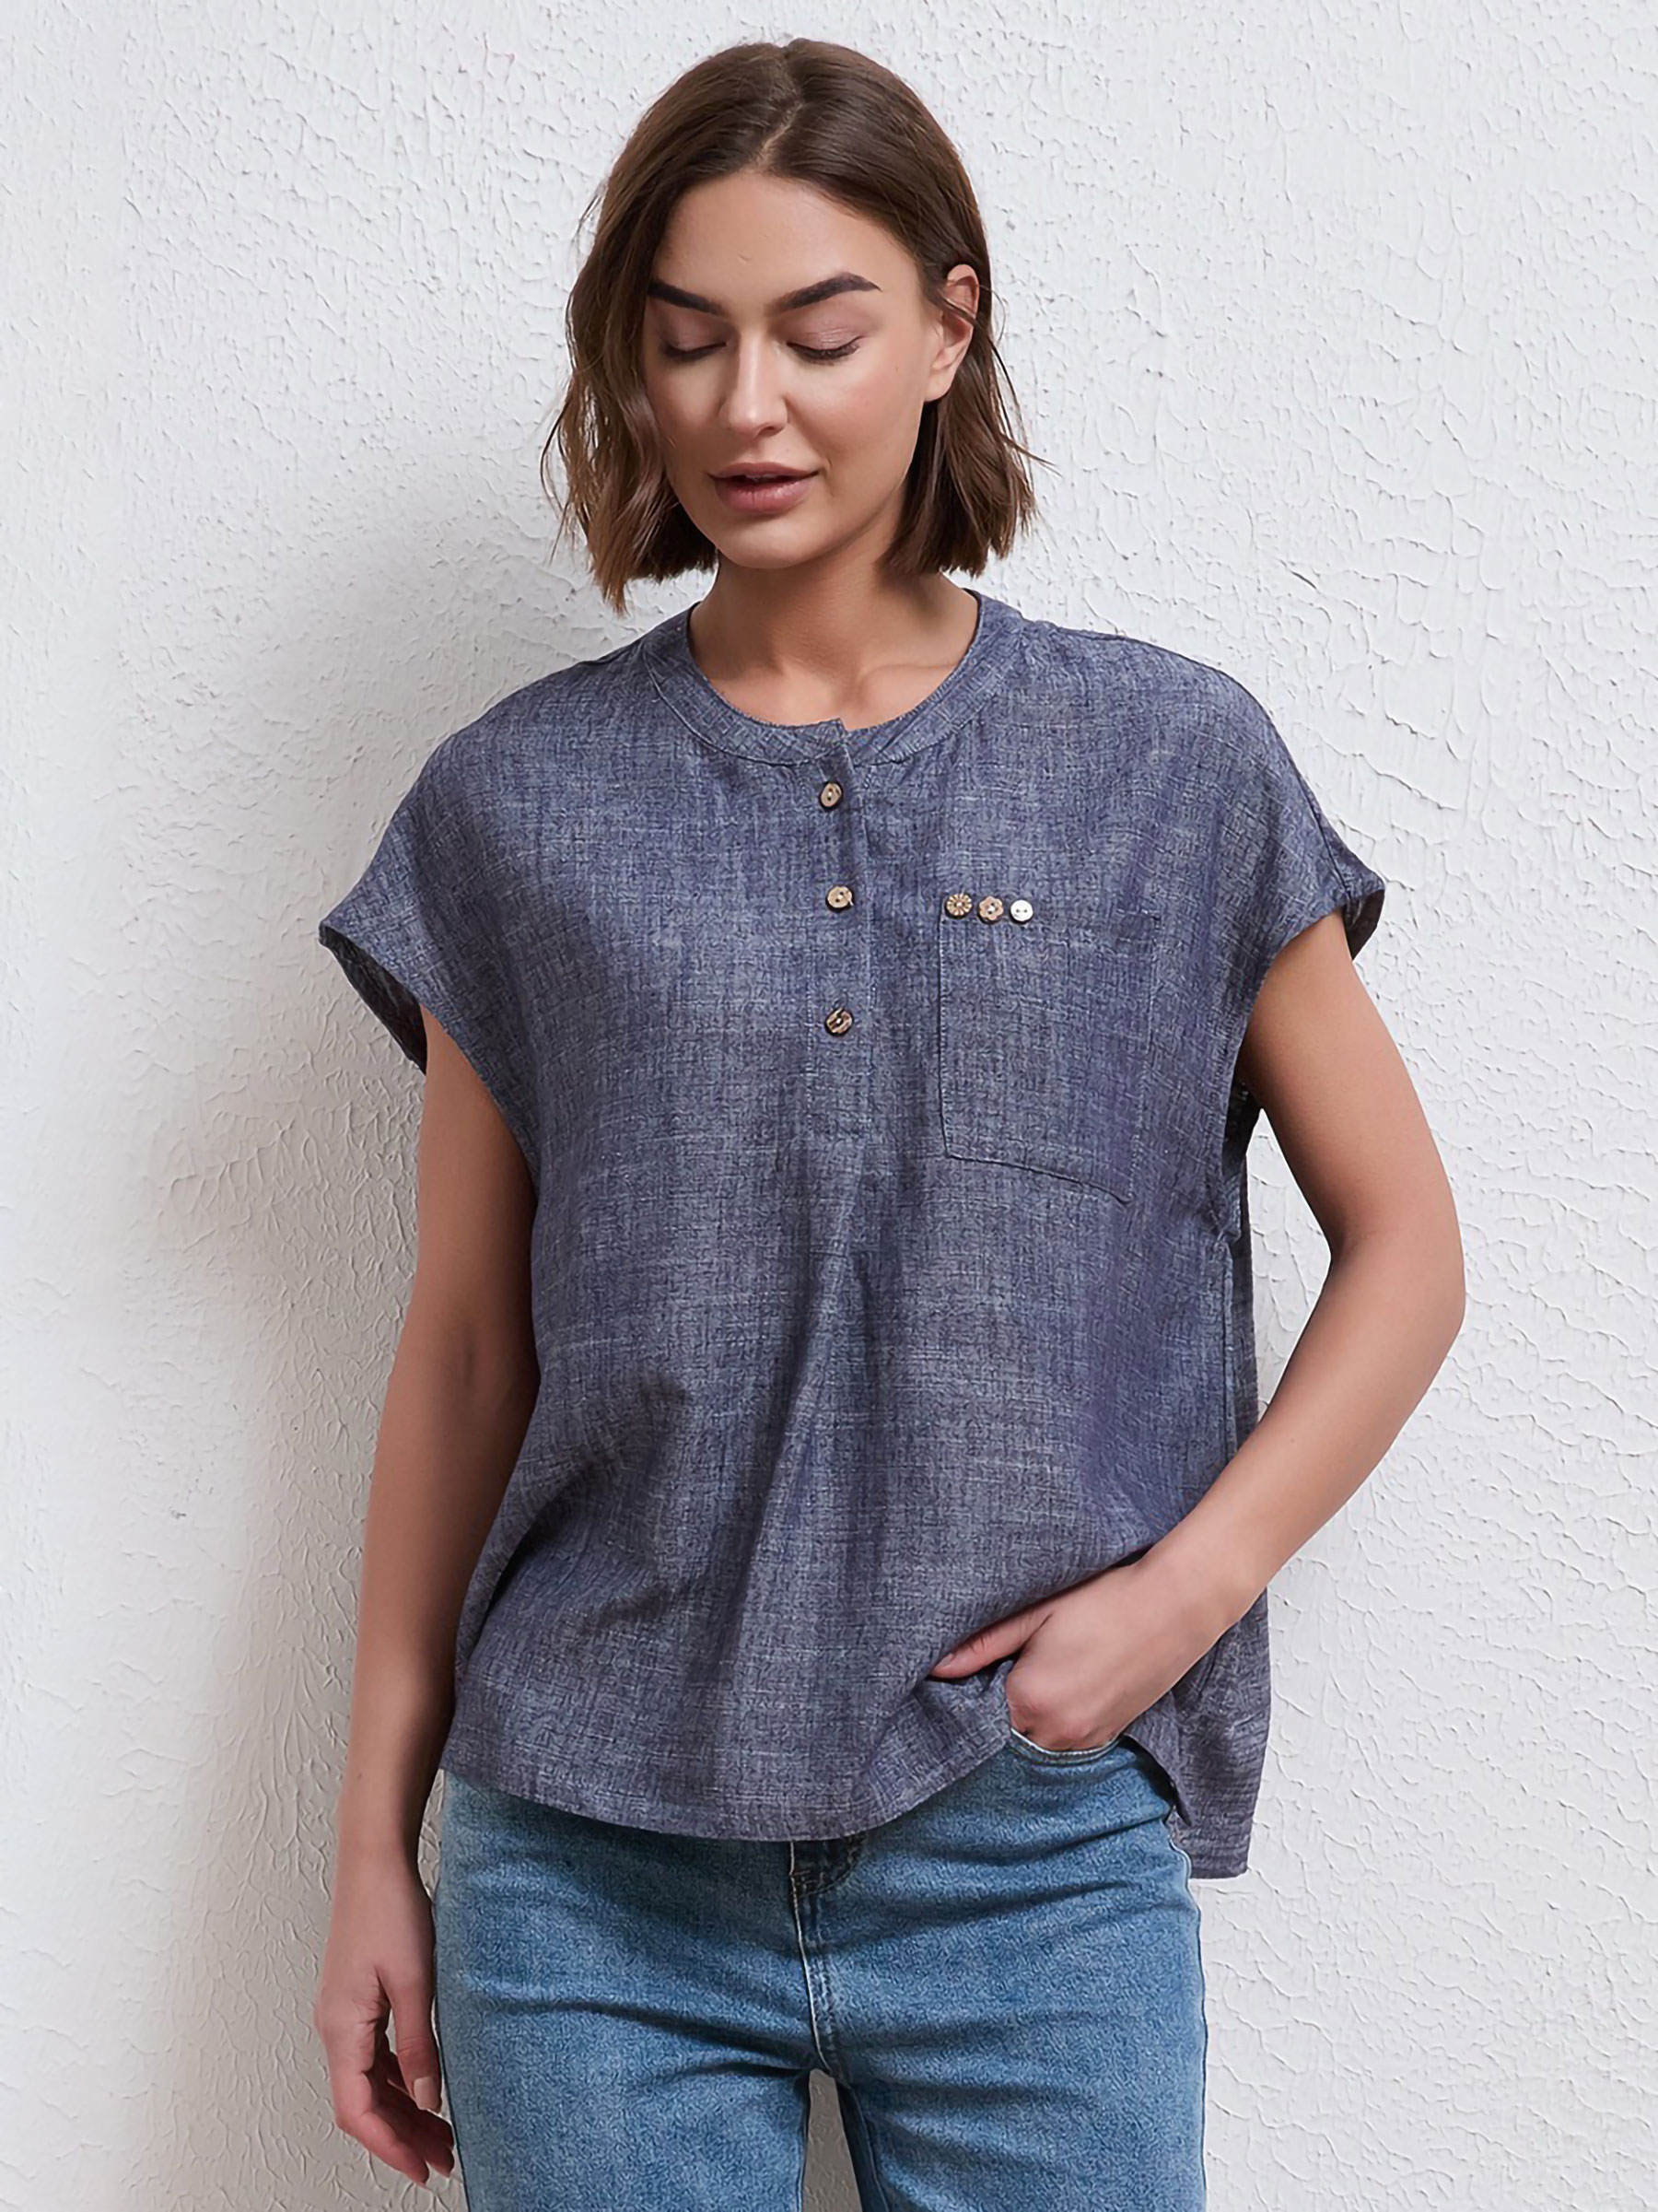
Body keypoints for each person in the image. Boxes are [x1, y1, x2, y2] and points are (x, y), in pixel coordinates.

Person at [310, 37, 1463, 2211]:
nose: (748, 404)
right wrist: (373, 1845)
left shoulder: (1173, 763)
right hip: (590, 1869)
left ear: (948, 327)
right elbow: (464, 1350)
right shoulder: (513, 804)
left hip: (1029, 1846)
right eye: (686, 341)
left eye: (818, 334)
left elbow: (1408, 1243)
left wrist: (1184, 1596)